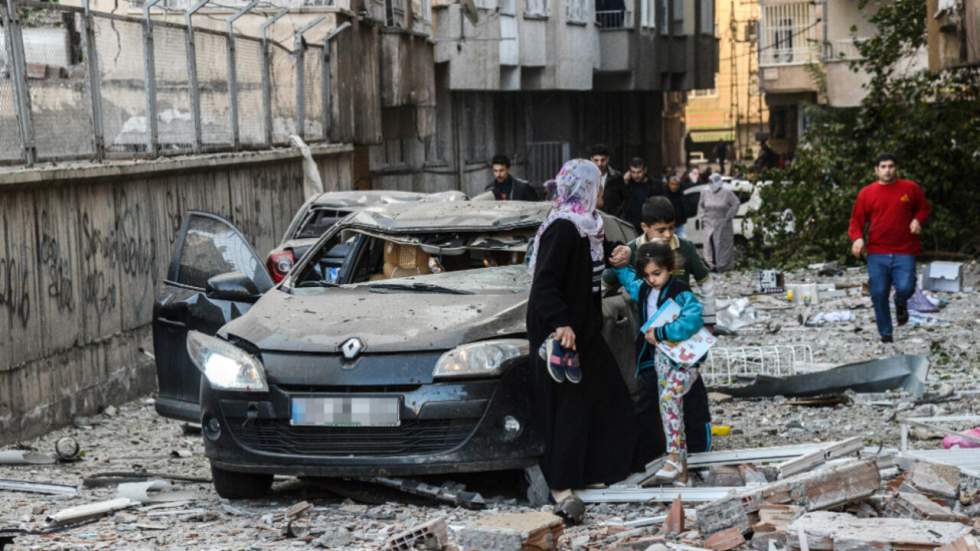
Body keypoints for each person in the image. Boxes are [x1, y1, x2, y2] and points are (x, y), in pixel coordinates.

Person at [526, 159, 638, 524]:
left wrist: (615, 256)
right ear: (584, 188)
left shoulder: (590, 225)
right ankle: (562, 485)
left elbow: (589, 265)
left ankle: (601, 468)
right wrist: (560, 324)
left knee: (607, 394)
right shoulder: (562, 228)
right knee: (569, 406)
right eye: (598, 186)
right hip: (560, 332)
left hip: (585, 326)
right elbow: (544, 284)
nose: (602, 193)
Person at [604, 197, 715, 465]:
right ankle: (654, 455)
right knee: (651, 396)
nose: (667, 235)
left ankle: (695, 452)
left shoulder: (683, 250)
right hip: (651, 344)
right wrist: (620, 264)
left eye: (671, 229)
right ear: (645, 228)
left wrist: (710, 320)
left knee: (689, 396)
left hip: (682, 342)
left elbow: (704, 286)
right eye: (660, 230)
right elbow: (612, 279)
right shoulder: (634, 253)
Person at [612, 241, 705, 484]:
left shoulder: (680, 291)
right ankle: (681, 470)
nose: (652, 279)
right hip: (659, 359)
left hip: (684, 361)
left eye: (657, 273)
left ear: (670, 268)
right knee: (669, 409)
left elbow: (693, 319)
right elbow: (630, 282)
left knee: (669, 400)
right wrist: (622, 264)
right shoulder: (643, 289)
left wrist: (663, 332)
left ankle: (673, 457)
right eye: (647, 275)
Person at [848, 153, 930, 343]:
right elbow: (856, 221)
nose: (887, 170)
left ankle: (900, 302)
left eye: (891, 166)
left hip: (905, 250)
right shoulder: (866, 193)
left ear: (896, 168)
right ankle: (886, 335)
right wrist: (857, 239)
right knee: (878, 293)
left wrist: (918, 219)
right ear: (876, 170)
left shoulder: (910, 188)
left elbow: (924, 207)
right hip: (877, 251)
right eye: (883, 166)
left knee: (906, 287)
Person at [603, 157, 664, 232]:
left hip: (649, 225)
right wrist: (623, 182)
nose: (636, 175)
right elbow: (614, 200)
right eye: (633, 172)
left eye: (639, 172)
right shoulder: (626, 183)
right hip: (630, 226)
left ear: (645, 170)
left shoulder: (655, 185)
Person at [698, 173, 741, 272]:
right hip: (709, 222)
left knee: (722, 244)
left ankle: (723, 267)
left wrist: (729, 216)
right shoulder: (705, 192)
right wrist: (702, 217)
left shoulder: (727, 192)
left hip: (723, 223)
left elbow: (736, 203)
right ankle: (710, 266)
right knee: (709, 244)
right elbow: (701, 205)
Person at [589, 143, 622, 211]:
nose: (599, 164)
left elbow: (624, 200)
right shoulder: (585, 177)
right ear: (591, 159)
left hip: (611, 218)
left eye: (603, 160)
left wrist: (617, 216)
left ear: (607, 159)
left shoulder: (616, 177)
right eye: (596, 160)